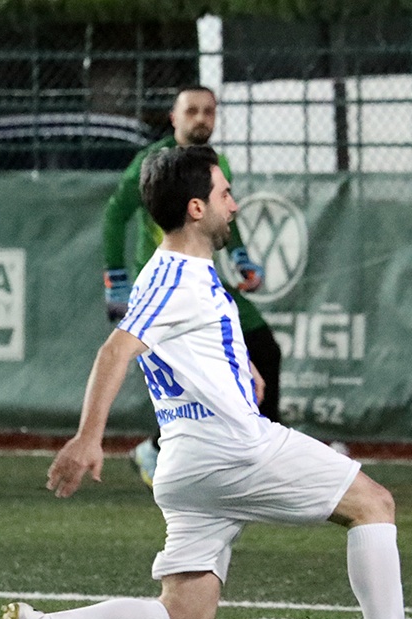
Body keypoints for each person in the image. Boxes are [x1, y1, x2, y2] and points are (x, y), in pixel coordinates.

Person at [0, 146, 412, 619]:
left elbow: (194, 340)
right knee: (373, 503)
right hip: (233, 449)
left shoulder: (181, 272)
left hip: (189, 464)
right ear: (195, 208)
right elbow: (115, 350)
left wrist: (243, 370)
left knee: (185, 617)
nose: (234, 204)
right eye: (224, 194)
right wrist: (88, 438)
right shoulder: (175, 276)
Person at [103, 85, 282, 487]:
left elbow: (222, 218)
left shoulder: (216, 165)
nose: (201, 119)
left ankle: (259, 449)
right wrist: (116, 279)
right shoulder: (153, 163)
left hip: (204, 279)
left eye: (208, 111)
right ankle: (248, 454)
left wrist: (239, 257)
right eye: (192, 111)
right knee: (196, 371)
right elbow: (115, 214)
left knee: (262, 349)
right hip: (168, 285)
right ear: (173, 118)